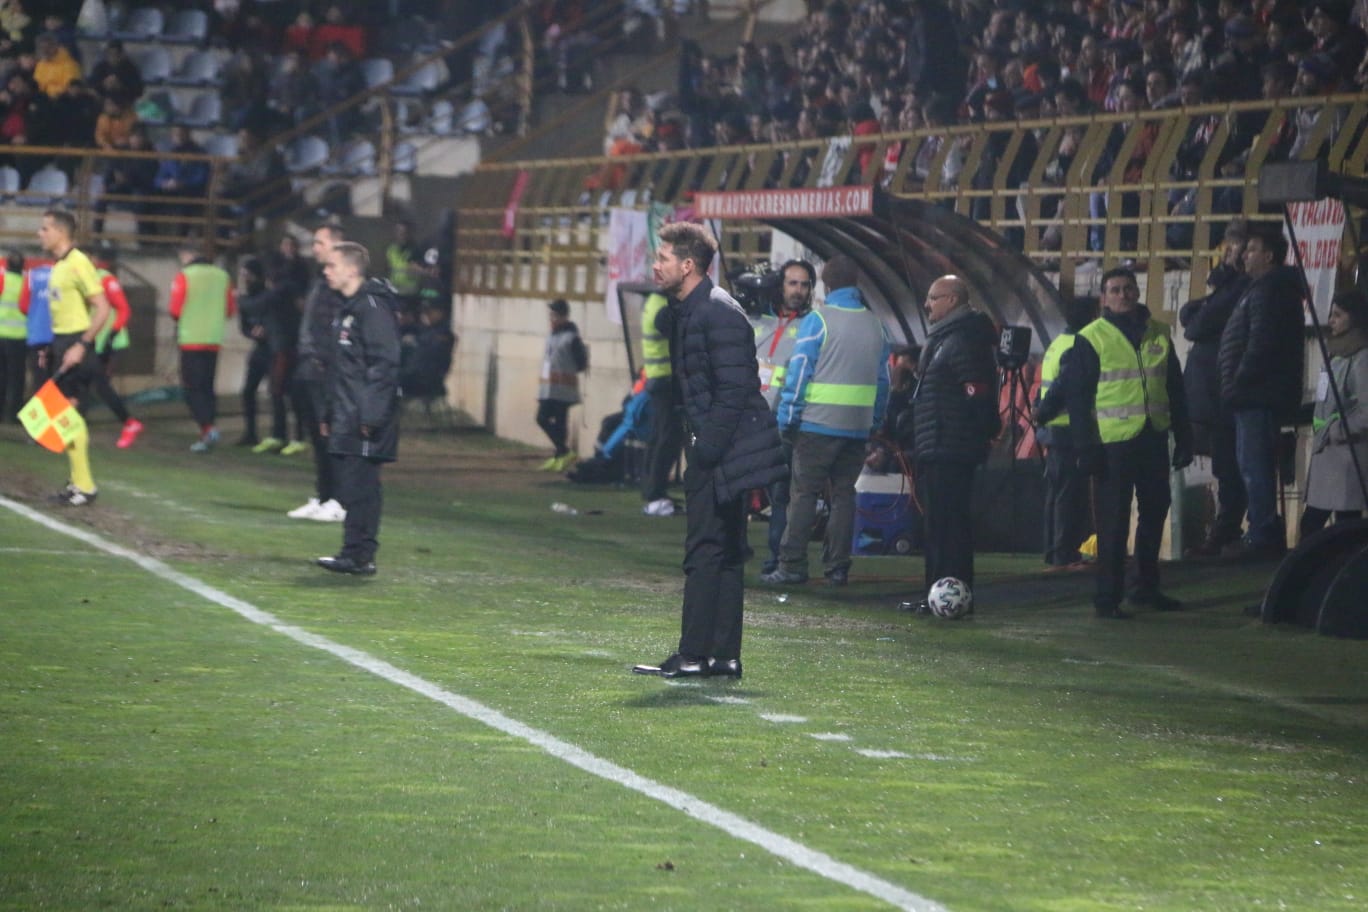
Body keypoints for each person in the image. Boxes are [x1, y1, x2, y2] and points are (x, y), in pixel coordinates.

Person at [633, 222, 786, 679]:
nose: (655, 267)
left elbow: (737, 388)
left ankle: (696, 654)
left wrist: (705, 451)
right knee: (724, 550)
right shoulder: (693, 309)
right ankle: (722, 655)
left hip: (723, 452)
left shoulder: (716, 312)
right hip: (721, 449)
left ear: (687, 265)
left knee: (706, 549)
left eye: (662, 259)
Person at [1040, 267, 1192, 618]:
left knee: (1155, 513)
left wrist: (1183, 436)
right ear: (1104, 298)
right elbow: (1078, 399)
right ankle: (1107, 597)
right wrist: (1086, 449)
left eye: (1127, 288)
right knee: (1113, 524)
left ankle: (1145, 587)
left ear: (1137, 293)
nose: (1122, 295)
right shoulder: (1092, 337)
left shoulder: (1160, 333)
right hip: (1112, 445)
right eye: (1115, 289)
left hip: (1153, 437)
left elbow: (1175, 389)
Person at [763, 255, 889, 587]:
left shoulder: (818, 320)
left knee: (803, 495)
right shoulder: (877, 325)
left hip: (816, 426)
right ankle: (837, 567)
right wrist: (874, 420)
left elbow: (799, 373)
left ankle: (791, 565)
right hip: (857, 428)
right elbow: (883, 380)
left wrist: (787, 418)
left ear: (826, 284)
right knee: (844, 495)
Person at [907, 275, 1000, 613]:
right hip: (940, 444)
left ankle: (952, 596)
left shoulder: (963, 340)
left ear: (952, 300)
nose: (927, 304)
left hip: (951, 448)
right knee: (939, 527)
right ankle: (937, 596)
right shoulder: (948, 338)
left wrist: (975, 438)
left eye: (933, 297)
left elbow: (978, 397)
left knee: (948, 528)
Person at [1218, 224, 1305, 559]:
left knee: (1255, 466)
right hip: (1255, 393)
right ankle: (1261, 530)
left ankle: (1263, 534)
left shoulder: (1269, 291)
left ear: (1268, 255)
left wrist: (1239, 381)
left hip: (1258, 394)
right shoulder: (1261, 288)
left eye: (1251, 249)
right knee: (1250, 465)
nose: (1244, 254)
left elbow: (1261, 343)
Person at [314, 241, 401, 577]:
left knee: (361, 484)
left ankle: (361, 554)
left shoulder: (372, 308)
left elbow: (385, 364)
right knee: (353, 484)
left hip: (364, 415)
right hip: (347, 411)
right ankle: (354, 552)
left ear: (352, 269)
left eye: (332, 265)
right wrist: (329, 413)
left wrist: (371, 414)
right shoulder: (349, 308)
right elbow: (341, 369)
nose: (326, 270)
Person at [1178, 222, 1250, 556]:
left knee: (1231, 466)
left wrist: (1199, 311)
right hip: (1212, 393)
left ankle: (1227, 532)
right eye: (1228, 246)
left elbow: (1197, 324)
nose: (1229, 254)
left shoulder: (1244, 286)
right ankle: (1225, 531)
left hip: (1224, 392)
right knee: (1225, 464)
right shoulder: (1226, 285)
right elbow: (1191, 313)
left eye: (1237, 248)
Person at [35, 210, 111, 506]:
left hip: (76, 344)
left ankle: (85, 486)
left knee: (66, 414)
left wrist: (80, 345)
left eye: (44, 229)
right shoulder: (60, 265)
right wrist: (52, 347)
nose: (39, 234)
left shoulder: (78, 262)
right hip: (62, 342)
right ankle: (78, 482)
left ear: (60, 233)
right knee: (65, 415)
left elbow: (102, 308)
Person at [753, 259, 814, 571]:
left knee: (780, 494)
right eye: (792, 283)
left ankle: (775, 557)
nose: (798, 290)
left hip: (784, 423)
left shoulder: (811, 326)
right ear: (780, 285)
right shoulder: (758, 321)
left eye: (804, 284)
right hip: (750, 421)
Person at [1034, 294, 1100, 570]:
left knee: (1057, 494)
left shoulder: (1058, 342)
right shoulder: (1077, 345)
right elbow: (1064, 387)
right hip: (1067, 429)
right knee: (1068, 497)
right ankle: (1065, 555)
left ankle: (1055, 552)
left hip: (1054, 430)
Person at [289, 224, 348, 522]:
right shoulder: (320, 279)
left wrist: (327, 360)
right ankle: (324, 495)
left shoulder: (342, 281)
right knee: (317, 435)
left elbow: (337, 326)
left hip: (325, 370)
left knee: (331, 435)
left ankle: (339, 499)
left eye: (319, 242)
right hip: (309, 366)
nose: (314, 248)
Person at [1302, 290, 1368, 535]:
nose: (1331, 320)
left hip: (1347, 457)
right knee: (1315, 524)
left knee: (1342, 524)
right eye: (1331, 314)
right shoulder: (1334, 355)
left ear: (1356, 319)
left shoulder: (1362, 360)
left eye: (1338, 315)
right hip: (1327, 454)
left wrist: (1337, 431)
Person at [169, 244, 234, 453]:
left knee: (192, 388)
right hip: (213, 339)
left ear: (188, 255)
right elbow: (230, 310)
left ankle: (208, 428)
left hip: (191, 339)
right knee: (207, 387)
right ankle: (208, 430)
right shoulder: (223, 276)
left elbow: (174, 309)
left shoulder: (185, 276)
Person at [235, 258, 292, 452]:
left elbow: (264, 313)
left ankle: (279, 435)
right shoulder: (249, 299)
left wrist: (265, 331)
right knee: (248, 390)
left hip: (273, 350)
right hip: (259, 349)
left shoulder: (267, 297)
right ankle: (250, 432)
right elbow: (244, 326)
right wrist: (252, 332)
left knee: (276, 393)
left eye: (247, 275)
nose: (245, 279)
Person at [91, 251, 143, 449]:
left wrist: (113, 334)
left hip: (111, 343)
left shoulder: (105, 279)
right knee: (88, 384)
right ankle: (129, 423)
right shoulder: (87, 279)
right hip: (94, 342)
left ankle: (129, 422)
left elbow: (124, 309)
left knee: (100, 385)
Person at [640, 290, 685, 516]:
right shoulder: (663, 308)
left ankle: (651, 489)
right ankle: (655, 493)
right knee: (668, 439)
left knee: (658, 435)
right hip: (667, 379)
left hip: (657, 377)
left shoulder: (652, 302)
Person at [535, 298, 588, 472]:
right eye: (551, 315)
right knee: (542, 418)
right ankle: (562, 452)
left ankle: (561, 453)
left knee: (559, 421)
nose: (552, 318)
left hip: (564, 388)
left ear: (564, 316)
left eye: (555, 315)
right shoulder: (552, 335)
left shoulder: (572, 338)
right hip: (548, 387)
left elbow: (581, 363)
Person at [0, 249, 25, 422]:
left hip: (1, 334)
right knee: (16, 378)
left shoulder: (2, 280)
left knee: (1, 375)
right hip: (19, 337)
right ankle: (14, 413)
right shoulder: (26, 283)